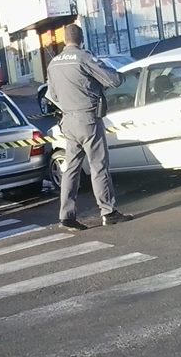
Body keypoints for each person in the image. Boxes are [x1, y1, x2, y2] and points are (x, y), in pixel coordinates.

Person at [46, 23, 134, 230]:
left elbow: (53, 96)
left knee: (72, 169)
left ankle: (66, 215)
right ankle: (108, 211)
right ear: (81, 38)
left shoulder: (53, 64)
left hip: (67, 121)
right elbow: (113, 80)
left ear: (64, 39)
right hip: (88, 119)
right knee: (98, 166)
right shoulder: (84, 57)